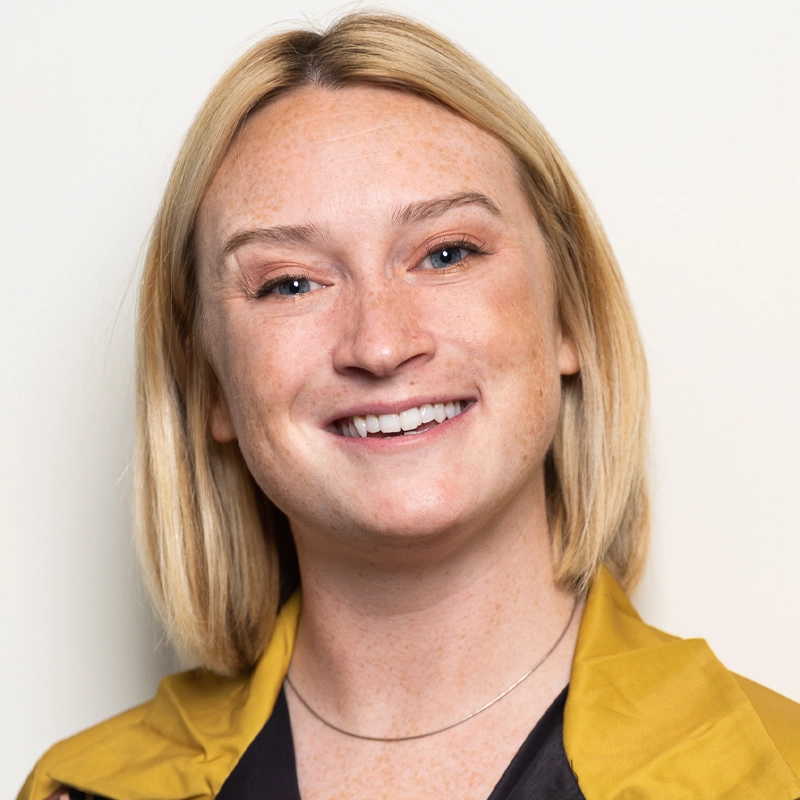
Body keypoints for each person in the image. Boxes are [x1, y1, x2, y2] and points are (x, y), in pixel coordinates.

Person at [19, 12, 800, 800]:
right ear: (211, 384)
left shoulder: (776, 771)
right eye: (290, 282)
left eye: (447, 254)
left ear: (570, 317)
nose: (380, 345)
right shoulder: (78, 790)